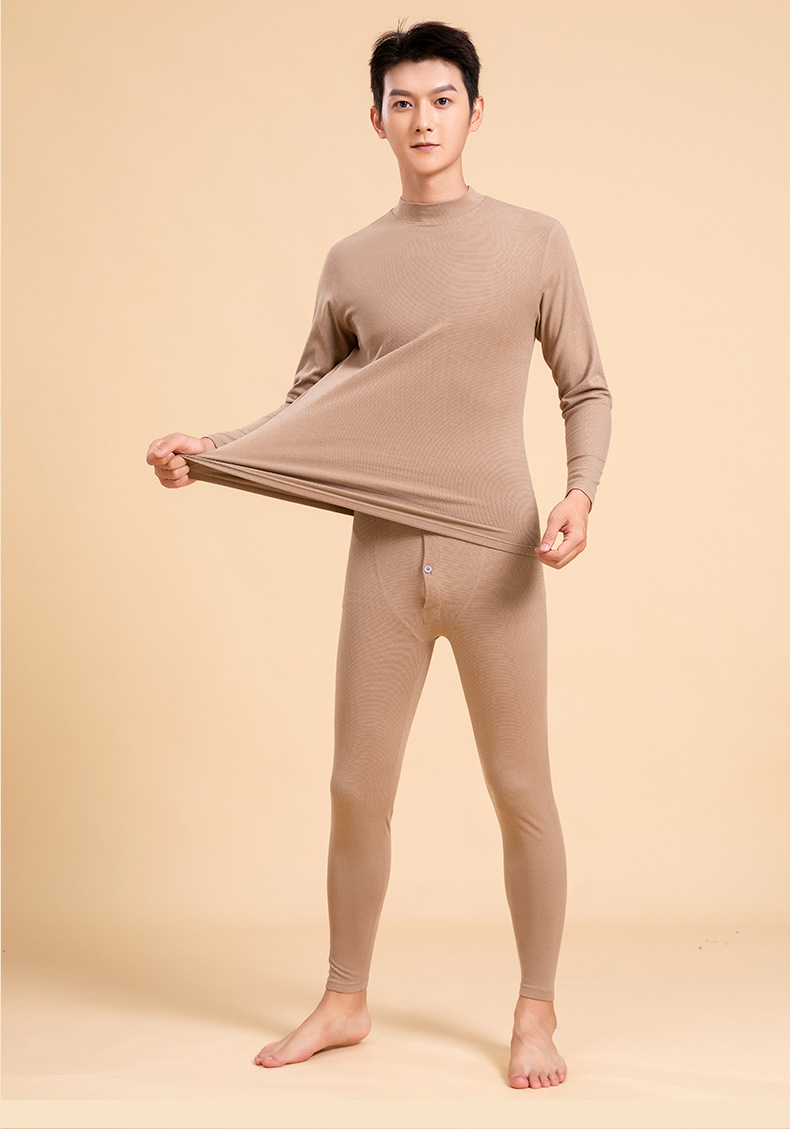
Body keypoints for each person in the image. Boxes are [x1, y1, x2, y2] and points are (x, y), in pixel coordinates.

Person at [146, 20, 611, 1090]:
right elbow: (311, 414)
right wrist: (214, 454)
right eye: (403, 102)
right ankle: (344, 997)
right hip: (384, 563)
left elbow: (585, 385)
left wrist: (581, 491)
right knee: (357, 786)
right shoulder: (351, 261)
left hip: (497, 557)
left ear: (475, 113)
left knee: (521, 787)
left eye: (442, 100)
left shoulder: (536, 241)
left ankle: (536, 1010)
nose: (423, 119)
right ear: (376, 120)